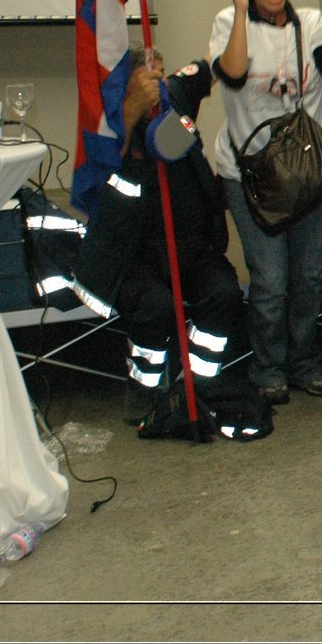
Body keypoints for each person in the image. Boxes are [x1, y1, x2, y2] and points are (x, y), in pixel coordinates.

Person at [210, 0, 322, 405]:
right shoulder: (227, 22)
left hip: (305, 172)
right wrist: (237, 9)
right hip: (249, 172)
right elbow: (231, 75)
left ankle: (304, 362)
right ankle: (268, 367)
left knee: (308, 276)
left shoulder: (309, 22)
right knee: (270, 280)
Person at [72, 48, 247, 426]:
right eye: (149, 77)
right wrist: (134, 107)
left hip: (190, 247)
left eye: (162, 75)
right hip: (133, 254)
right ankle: (145, 386)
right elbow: (97, 173)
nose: (160, 84)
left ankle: (200, 381)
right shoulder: (107, 124)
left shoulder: (177, 99)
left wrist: (239, 6)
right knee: (155, 307)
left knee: (224, 295)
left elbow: (222, 65)